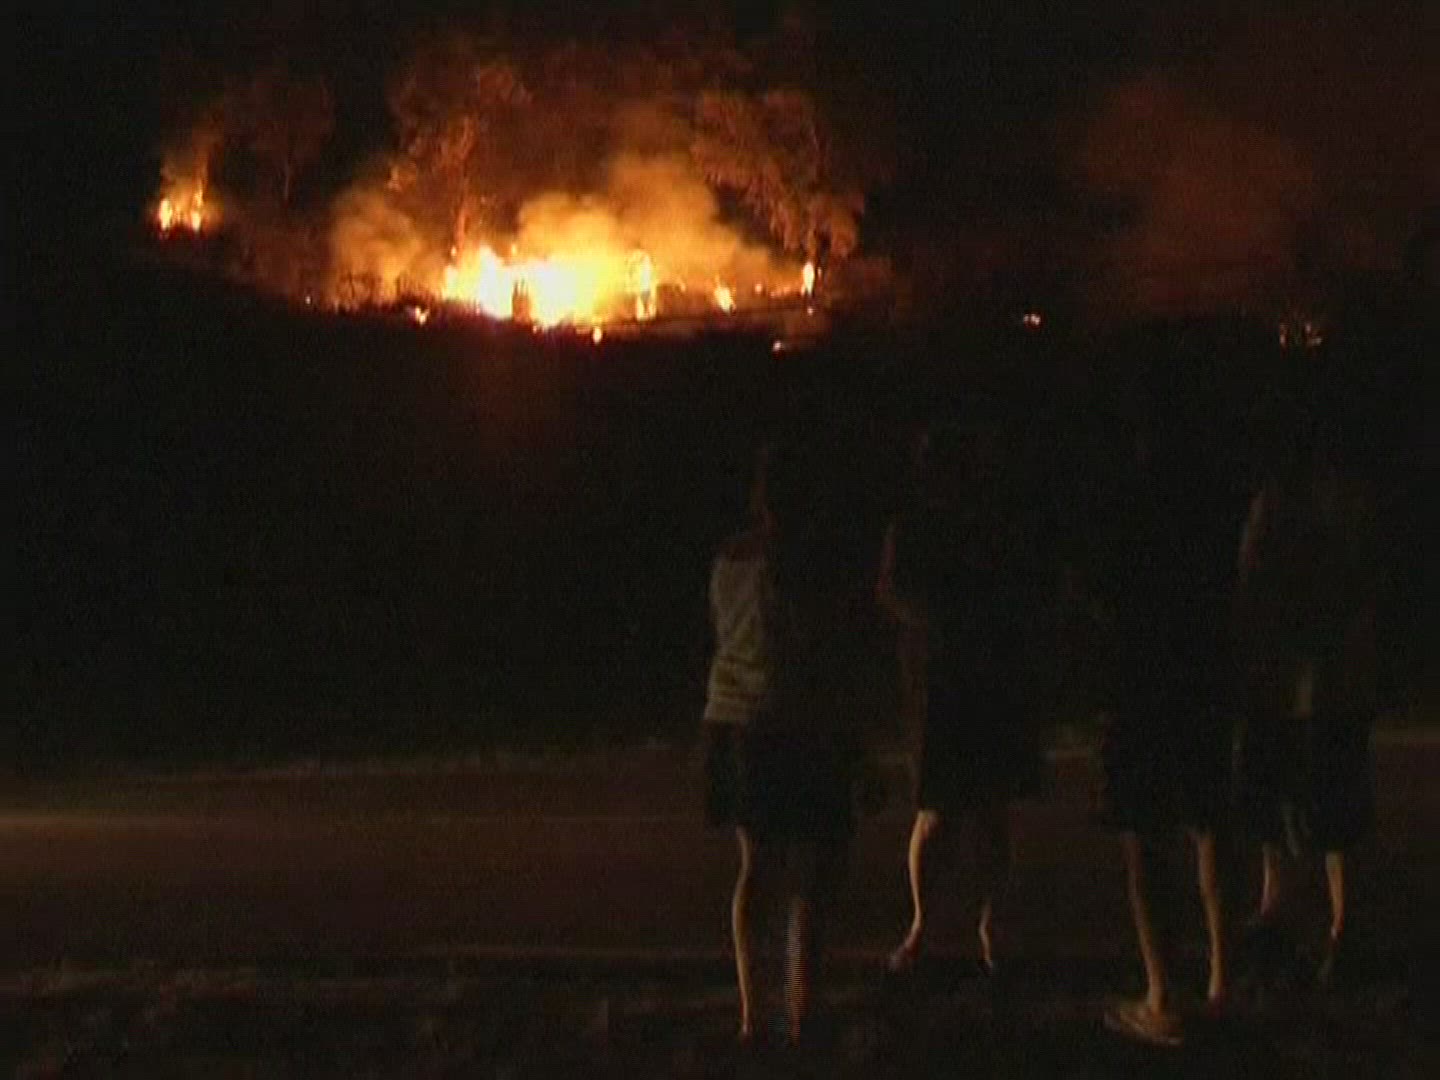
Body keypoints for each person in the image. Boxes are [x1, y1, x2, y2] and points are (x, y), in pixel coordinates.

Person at [702, 437, 872, 1048]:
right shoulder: (808, 564)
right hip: (795, 724)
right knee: (818, 870)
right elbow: (818, 654)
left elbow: (727, 635)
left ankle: (757, 1014)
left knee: (761, 867)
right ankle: (802, 1005)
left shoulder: (730, 557)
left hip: (736, 721)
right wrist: (853, 737)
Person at [1095, 408, 1244, 1047]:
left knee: (1144, 837)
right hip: (1203, 676)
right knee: (1210, 823)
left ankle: (1162, 996)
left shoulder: (1127, 511)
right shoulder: (1215, 508)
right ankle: (1221, 981)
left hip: (1142, 682)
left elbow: (1101, 595)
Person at [880, 424, 1045, 979]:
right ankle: (925, 927)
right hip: (940, 683)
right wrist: (940, 622)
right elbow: (893, 590)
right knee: (939, 811)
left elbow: (1019, 589)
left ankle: (991, 927)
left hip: (984, 679)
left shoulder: (990, 523)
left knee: (989, 811)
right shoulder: (915, 526)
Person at [1233, 427, 1381, 989]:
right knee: (1320, 806)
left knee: (1299, 802)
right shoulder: (1343, 501)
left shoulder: (1289, 504)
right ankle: (1326, 926)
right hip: (1321, 679)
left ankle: (1300, 920)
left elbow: (1254, 580)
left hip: (1301, 678)